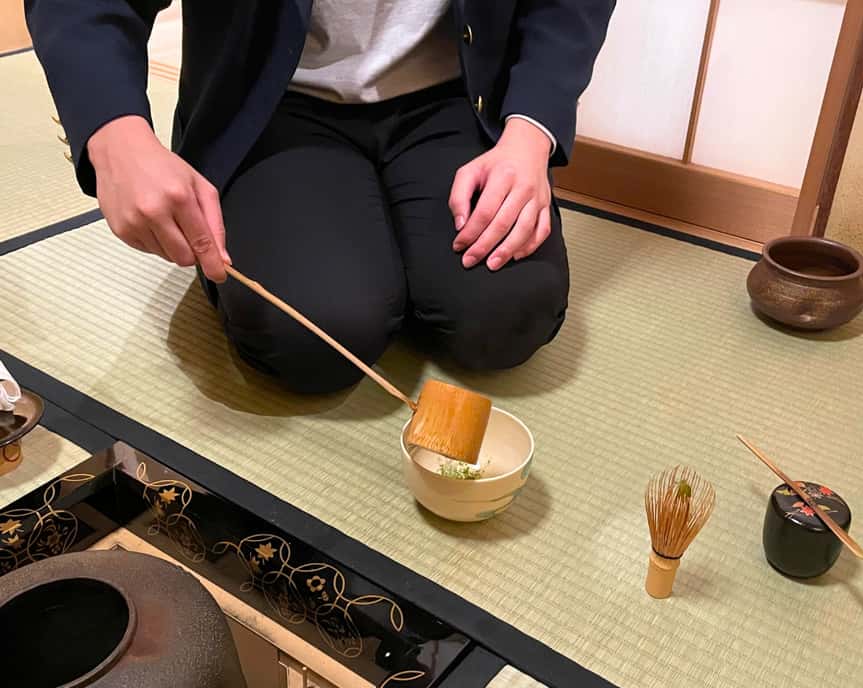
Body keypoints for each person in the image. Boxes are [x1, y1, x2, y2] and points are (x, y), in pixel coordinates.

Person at [26, 1, 615, 394]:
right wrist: (114, 133)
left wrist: (531, 130)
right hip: (273, 103)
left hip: (457, 93)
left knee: (507, 317)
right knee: (310, 335)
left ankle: (395, 264)